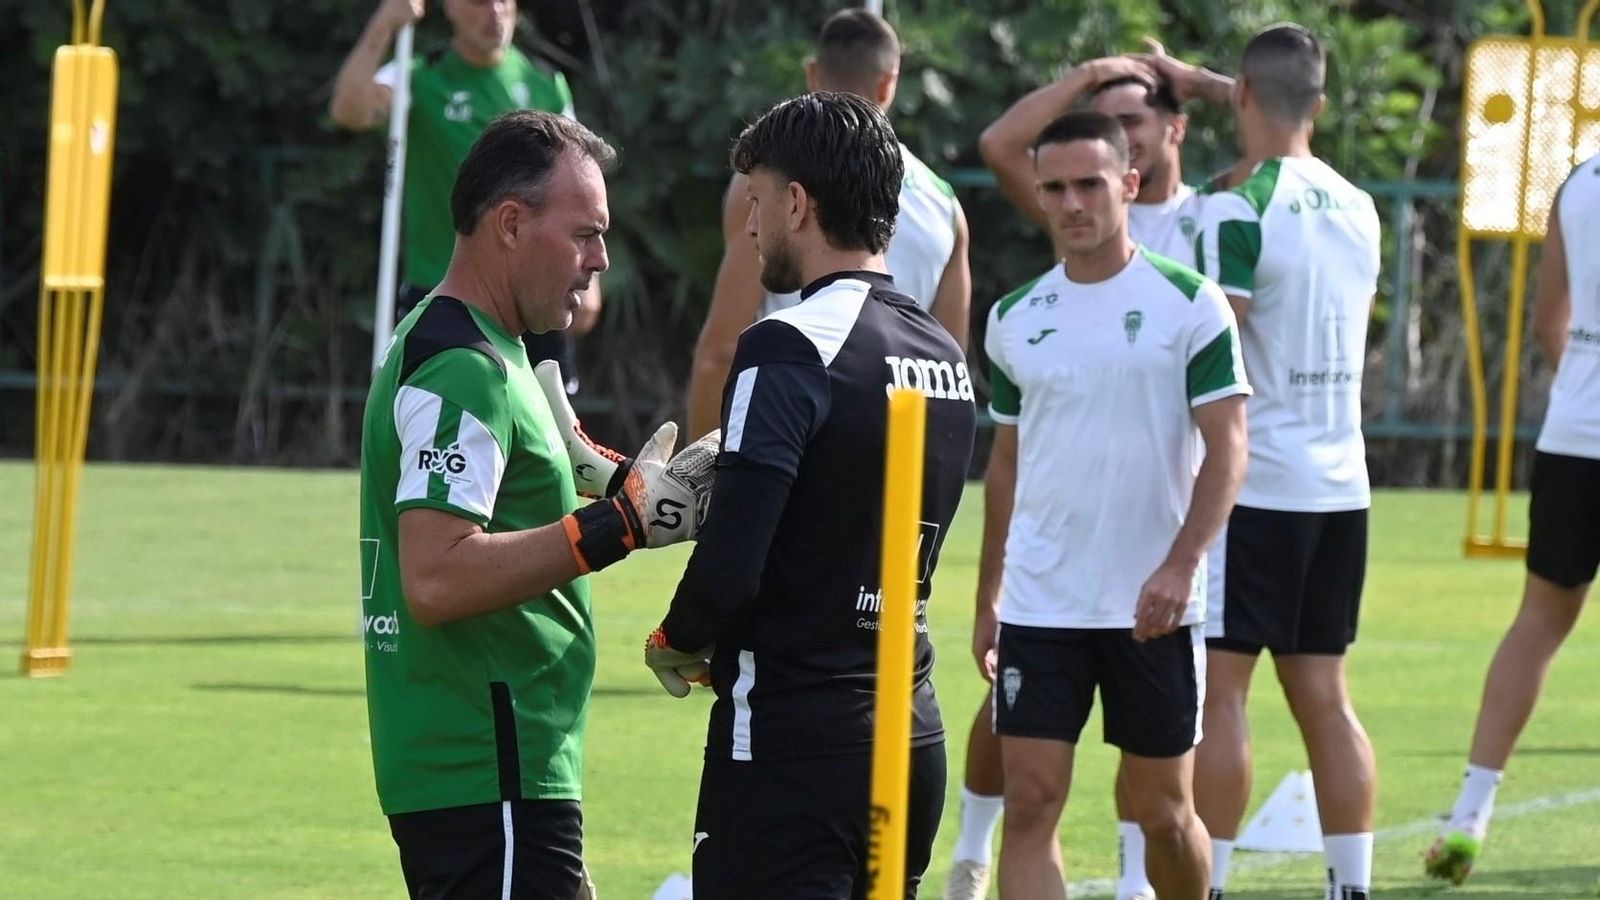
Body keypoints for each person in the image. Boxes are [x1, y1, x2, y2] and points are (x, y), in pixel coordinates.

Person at [356, 110, 714, 900]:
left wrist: (621, 482)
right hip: (489, 768)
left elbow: (536, 461)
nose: (601, 260)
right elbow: (437, 578)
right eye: (585, 234)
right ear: (511, 224)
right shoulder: (463, 368)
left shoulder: (485, 344)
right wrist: (618, 526)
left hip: (502, 766)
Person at [644, 91, 978, 899]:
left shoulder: (787, 344)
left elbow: (735, 561)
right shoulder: (945, 355)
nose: (751, 227)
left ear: (797, 203)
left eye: (757, 202)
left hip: (795, 749)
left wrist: (675, 638)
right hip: (911, 737)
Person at [959, 52, 1224, 900]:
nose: (1073, 204)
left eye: (1091, 186)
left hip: (1153, 608)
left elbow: (1230, 448)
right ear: (1038, 193)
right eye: (1056, 188)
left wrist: (1180, 566)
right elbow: (1006, 463)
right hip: (1043, 604)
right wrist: (988, 594)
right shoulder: (1013, 319)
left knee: (1163, 812)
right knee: (1032, 802)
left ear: (1130, 183)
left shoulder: (1192, 304)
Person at [1190, 24, 1383, 900]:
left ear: (1239, 97)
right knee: (1325, 699)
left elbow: (1215, 348)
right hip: (1341, 487)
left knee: (1220, 698)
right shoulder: (1359, 204)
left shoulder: (1233, 205)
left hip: (1255, 486)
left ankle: (1212, 883)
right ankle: (1351, 887)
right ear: (1322, 104)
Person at [1425, 149, 1600, 885]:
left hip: (1573, 437)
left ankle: (1470, 812)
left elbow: (1547, 324)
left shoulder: (1581, 179)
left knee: (1537, 622)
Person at [685, 8, 971, 440]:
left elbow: (722, 350)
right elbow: (947, 365)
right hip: (898, 461)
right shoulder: (945, 205)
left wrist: (696, 484)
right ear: (890, 81)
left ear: (813, 73)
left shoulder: (768, 182)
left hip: (790, 433)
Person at [330, 0, 600, 387]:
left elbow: (580, 183)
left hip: (533, 292)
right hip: (444, 289)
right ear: (450, 8)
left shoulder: (544, 83)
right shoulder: (421, 75)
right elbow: (350, 110)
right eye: (477, 1)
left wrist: (586, 263)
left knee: (546, 436)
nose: (494, 11)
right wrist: (385, 23)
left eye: (503, 0)